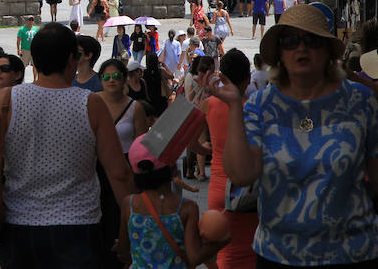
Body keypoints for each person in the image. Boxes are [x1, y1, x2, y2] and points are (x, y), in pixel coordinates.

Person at [209, 4, 378, 267]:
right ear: (279, 53)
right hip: (278, 255)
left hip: (353, 253)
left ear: (326, 50)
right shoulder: (260, 106)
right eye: (290, 41)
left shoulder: (360, 101)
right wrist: (234, 107)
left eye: (311, 40)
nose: (301, 48)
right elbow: (242, 175)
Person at [0, 23, 136, 268]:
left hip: (19, 226)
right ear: (71, 59)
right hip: (78, 226)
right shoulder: (91, 103)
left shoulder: (7, 100)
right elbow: (119, 174)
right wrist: (128, 227)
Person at [115, 136, 229, 269]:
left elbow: (123, 251)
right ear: (173, 170)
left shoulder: (129, 204)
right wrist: (222, 241)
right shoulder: (187, 208)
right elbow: (194, 258)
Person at [195, 49, 258, 269]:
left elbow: (189, 141)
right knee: (247, 253)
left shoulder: (210, 104)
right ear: (248, 79)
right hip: (245, 191)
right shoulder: (252, 108)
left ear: (222, 76)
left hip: (218, 186)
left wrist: (206, 151)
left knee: (220, 251)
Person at [96, 59, 148, 269]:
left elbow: (142, 146)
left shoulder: (134, 108)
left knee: (120, 217)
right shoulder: (92, 102)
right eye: (106, 77)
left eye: (116, 76)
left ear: (124, 78)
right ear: (100, 80)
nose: (111, 80)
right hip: (97, 168)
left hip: (126, 165)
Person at [184, 55, 214, 181]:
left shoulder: (194, 79)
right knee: (213, 142)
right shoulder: (215, 80)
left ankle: (201, 172)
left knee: (201, 142)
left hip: (198, 114)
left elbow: (191, 98)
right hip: (212, 114)